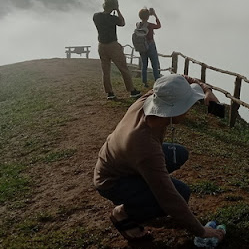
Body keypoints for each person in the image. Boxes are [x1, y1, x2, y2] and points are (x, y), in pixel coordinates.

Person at [93, 74, 226, 245]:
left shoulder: (150, 98)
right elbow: (168, 197)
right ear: (175, 109)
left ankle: (142, 187)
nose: (190, 109)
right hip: (113, 181)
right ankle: (124, 214)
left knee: (179, 153)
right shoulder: (146, 147)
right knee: (181, 193)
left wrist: (206, 90)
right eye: (187, 105)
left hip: (123, 160)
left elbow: (180, 78)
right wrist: (202, 231)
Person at [93, 0, 141, 100]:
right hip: (113, 45)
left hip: (101, 45)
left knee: (105, 71)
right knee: (123, 68)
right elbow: (122, 22)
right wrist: (118, 10)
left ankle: (109, 93)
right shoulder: (113, 19)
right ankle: (132, 90)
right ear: (114, 6)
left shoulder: (96, 16)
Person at [137, 7, 162, 87]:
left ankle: (144, 82)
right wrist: (154, 15)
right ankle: (157, 81)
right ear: (148, 16)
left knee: (144, 65)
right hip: (151, 45)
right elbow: (159, 26)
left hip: (142, 46)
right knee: (155, 64)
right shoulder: (150, 25)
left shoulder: (138, 24)